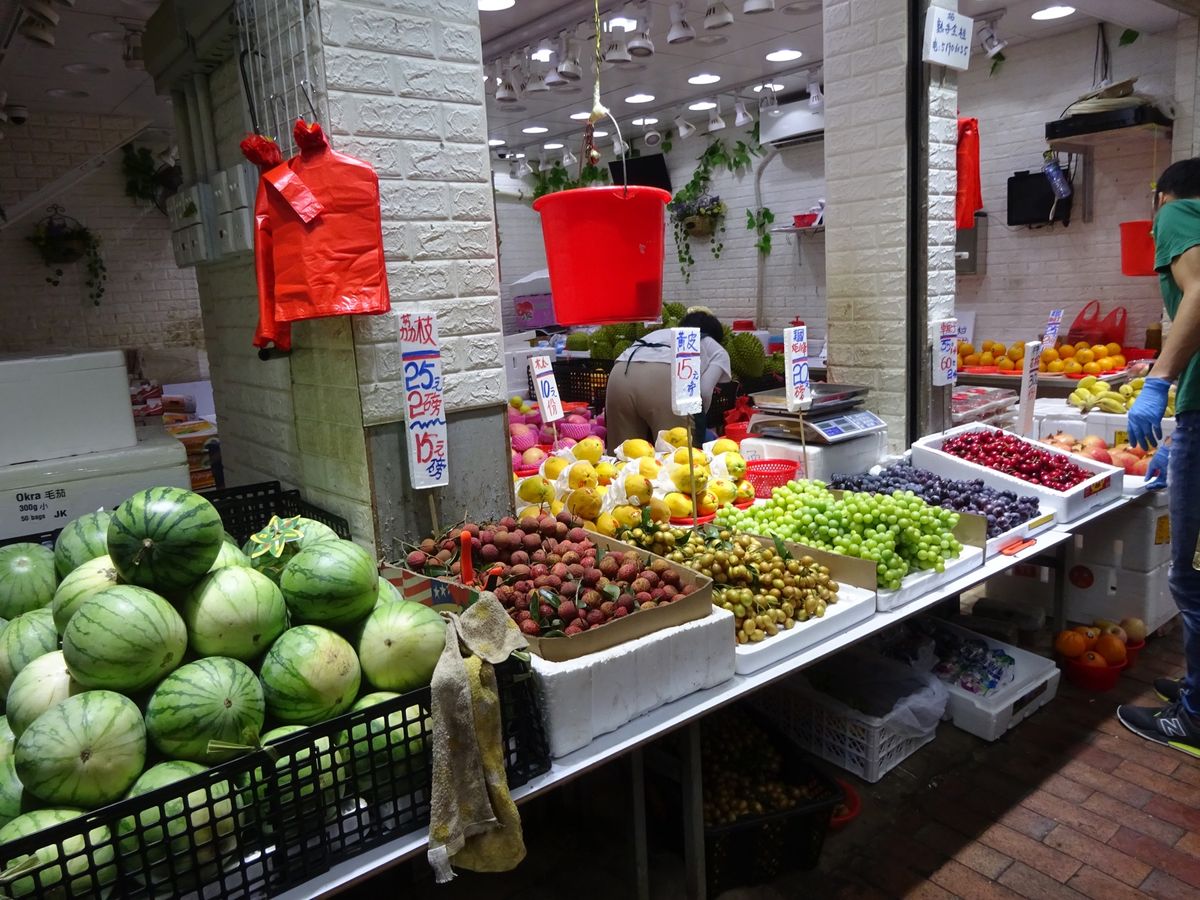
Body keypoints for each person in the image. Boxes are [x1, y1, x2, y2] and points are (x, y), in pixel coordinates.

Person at [1117, 158, 1200, 757]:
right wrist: (1178, 440)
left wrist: (1159, 379)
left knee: (1191, 574)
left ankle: (1195, 716)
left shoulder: (1176, 213)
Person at [604, 309, 732, 452]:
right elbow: (704, 392)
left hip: (621, 372)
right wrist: (698, 423)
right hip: (664, 377)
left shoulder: (661, 334)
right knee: (675, 457)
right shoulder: (717, 349)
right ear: (715, 336)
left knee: (624, 454)